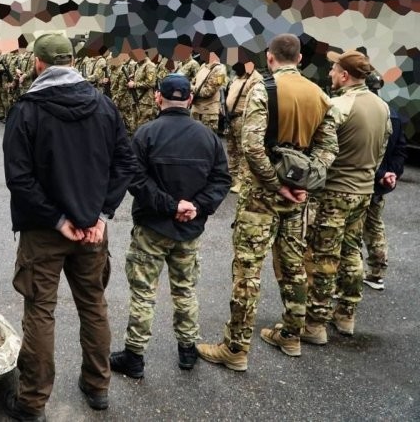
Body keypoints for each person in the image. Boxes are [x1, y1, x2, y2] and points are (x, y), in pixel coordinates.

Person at [2, 33, 137, 420]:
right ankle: (98, 387)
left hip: (45, 231)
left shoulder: (26, 110)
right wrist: (99, 215)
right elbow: (125, 164)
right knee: (93, 306)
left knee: (41, 311)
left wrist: (61, 220)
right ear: (74, 63)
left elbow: (19, 178)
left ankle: (32, 401)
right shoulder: (104, 107)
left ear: (39, 64)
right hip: (91, 231)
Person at [197, 33, 337, 371]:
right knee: (293, 267)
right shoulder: (319, 94)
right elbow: (329, 147)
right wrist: (303, 183)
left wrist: (276, 184)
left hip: (260, 198)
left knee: (248, 271)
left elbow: (251, 147)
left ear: (270, 58)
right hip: (297, 200)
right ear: (300, 59)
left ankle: (235, 348)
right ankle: (291, 334)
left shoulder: (265, 89)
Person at [110, 74, 230, 378]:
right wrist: (196, 206)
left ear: (157, 98)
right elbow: (221, 180)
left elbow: (135, 179)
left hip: (152, 228)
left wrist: (169, 205)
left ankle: (134, 356)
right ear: (190, 99)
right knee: (186, 290)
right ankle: (188, 350)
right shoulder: (208, 137)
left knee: (143, 293)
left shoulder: (146, 134)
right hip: (189, 231)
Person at [304, 50, 390, 340]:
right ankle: (346, 315)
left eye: (333, 69)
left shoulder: (339, 105)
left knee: (324, 255)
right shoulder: (381, 106)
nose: (330, 74)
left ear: (344, 75)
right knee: (352, 251)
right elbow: (381, 152)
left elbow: (321, 148)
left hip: (335, 191)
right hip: (363, 191)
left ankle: (315, 323)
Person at [362, 74, 407, 290]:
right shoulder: (394, 114)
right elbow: (400, 150)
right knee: (375, 226)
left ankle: (343, 280)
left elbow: (364, 152)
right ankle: (377, 273)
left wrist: (380, 172)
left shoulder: (364, 112)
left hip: (359, 181)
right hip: (379, 185)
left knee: (348, 232)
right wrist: (392, 173)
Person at [225, 61, 263, 193]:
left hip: (243, 119)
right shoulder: (237, 77)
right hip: (232, 118)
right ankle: (232, 177)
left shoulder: (255, 79)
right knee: (231, 149)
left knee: (243, 151)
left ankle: (242, 180)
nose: (234, 67)